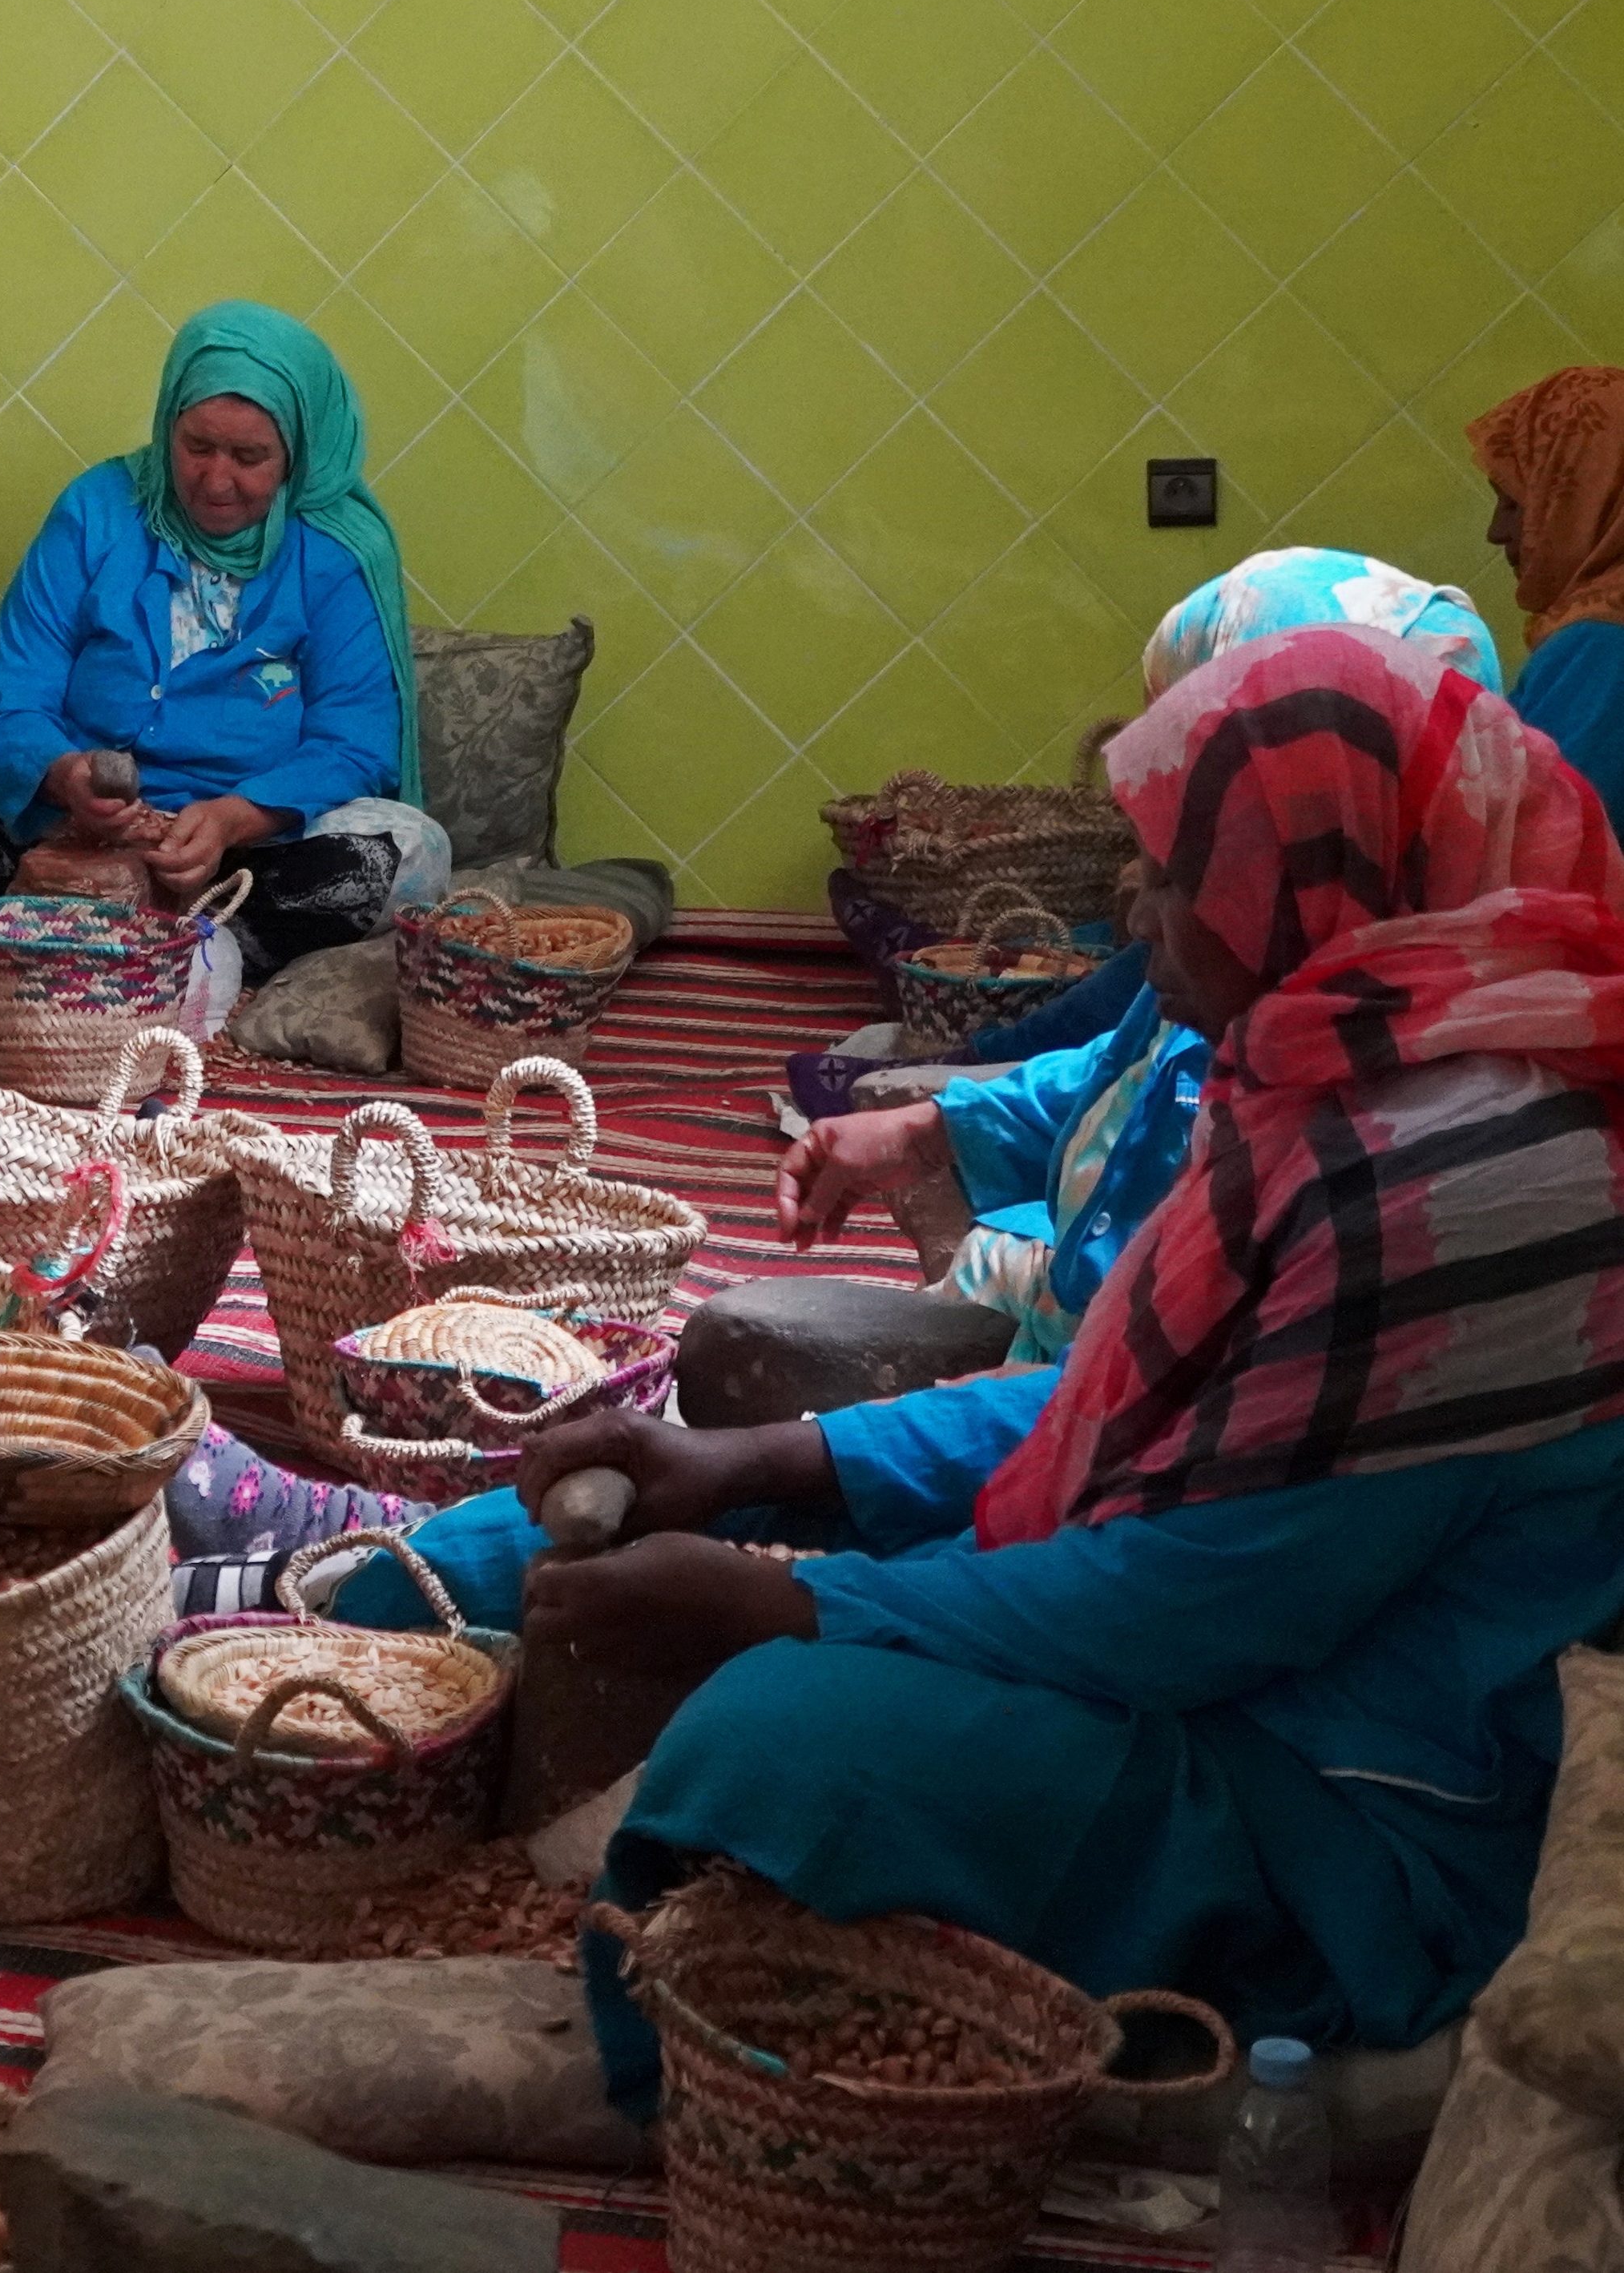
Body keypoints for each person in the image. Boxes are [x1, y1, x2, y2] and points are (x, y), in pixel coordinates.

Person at [357, 626, 1624, 2101]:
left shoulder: (1464, 1184)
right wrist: (765, 1465)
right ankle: (305, 1598)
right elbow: (1149, 1396)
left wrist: (785, 1600)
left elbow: (1200, 1604)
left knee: (775, 1737)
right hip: (1206, 1628)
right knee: (617, 1512)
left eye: (1171, 870)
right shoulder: (1335, 1065)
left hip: (1341, 1799)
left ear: (1311, 884)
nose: (1137, 911)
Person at [778, 549, 1501, 1358]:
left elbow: (1168, 1407)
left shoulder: (1370, 1142)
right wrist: (927, 1129)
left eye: (1184, 862)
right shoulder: (1234, 996)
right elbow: (1120, 1077)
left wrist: (890, 1443)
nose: (1137, 917)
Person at [0, 301, 428, 1070]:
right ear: (166, 427)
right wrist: (64, 774)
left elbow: (356, 741)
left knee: (403, 849)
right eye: (196, 446)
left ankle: (136, 956)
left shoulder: (334, 554)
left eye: (249, 456)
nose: (216, 479)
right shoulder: (98, 509)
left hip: (230, 871)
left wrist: (229, 819)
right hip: (54, 841)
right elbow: (11, 690)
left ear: (297, 455)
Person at [1477, 366, 1624, 807]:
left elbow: (1542, 844)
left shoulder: (1601, 645)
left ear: (1583, 498)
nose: (1496, 531)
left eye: (1515, 503)